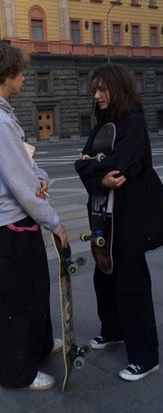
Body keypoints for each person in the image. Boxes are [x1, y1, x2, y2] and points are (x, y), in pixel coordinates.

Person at [0, 40, 68, 391]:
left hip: (15, 217)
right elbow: (21, 182)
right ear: (6, 74)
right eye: (21, 71)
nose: (25, 77)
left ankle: (39, 345)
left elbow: (24, 166)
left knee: (35, 288)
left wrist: (41, 179)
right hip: (9, 220)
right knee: (17, 299)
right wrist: (55, 221)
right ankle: (17, 373)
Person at [75, 63, 163, 381]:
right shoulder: (103, 123)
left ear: (117, 89)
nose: (96, 95)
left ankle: (145, 356)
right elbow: (83, 163)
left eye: (102, 89)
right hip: (104, 213)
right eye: (94, 89)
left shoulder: (133, 121)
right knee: (104, 275)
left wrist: (92, 168)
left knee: (132, 284)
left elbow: (120, 166)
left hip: (131, 217)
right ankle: (113, 331)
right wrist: (99, 178)